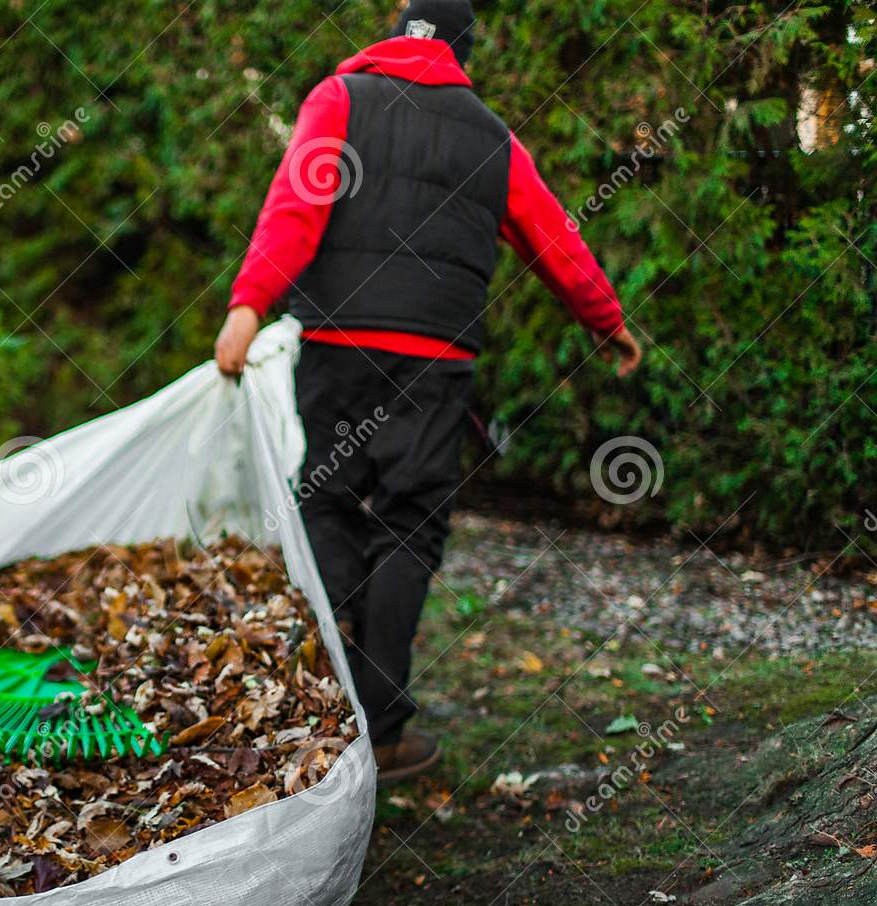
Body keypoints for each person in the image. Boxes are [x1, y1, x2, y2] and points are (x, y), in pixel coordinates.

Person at [214, 0, 640, 781]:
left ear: (398, 32)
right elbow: (554, 238)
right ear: (461, 52)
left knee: (329, 497)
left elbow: (294, 208)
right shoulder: (491, 137)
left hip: (338, 343)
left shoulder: (338, 98)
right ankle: (380, 730)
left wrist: (249, 305)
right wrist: (605, 321)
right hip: (433, 360)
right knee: (409, 526)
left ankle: (324, 686)